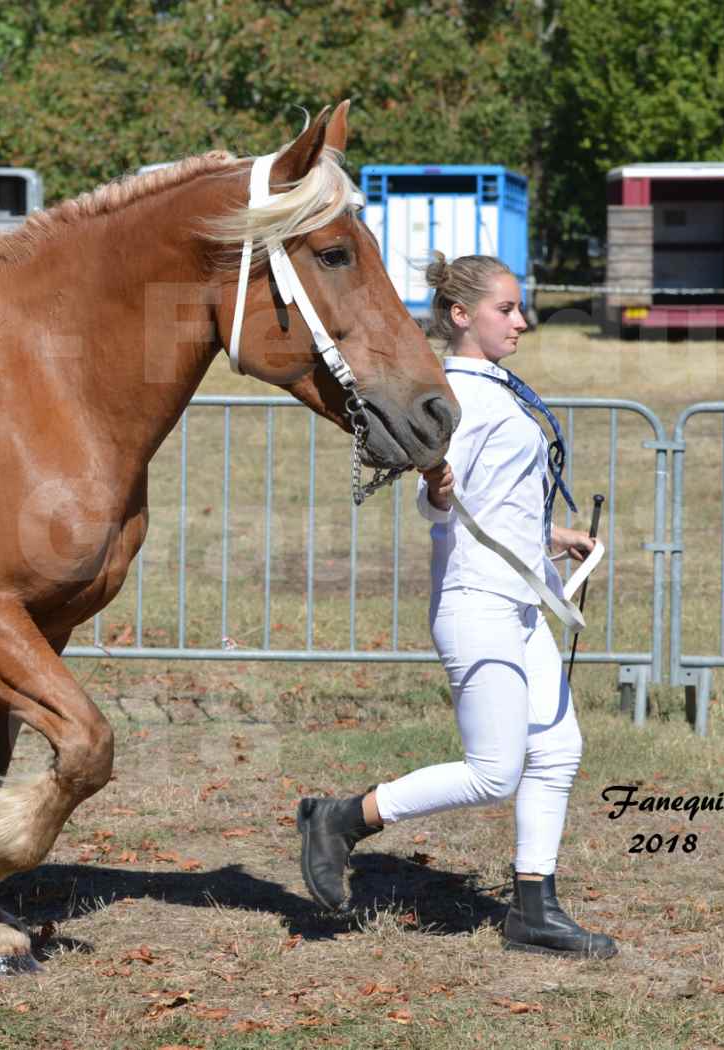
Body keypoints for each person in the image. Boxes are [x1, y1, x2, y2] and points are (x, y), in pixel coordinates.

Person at [295, 253, 616, 959]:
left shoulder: (495, 386)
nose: (521, 321)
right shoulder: (451, 394)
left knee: (556, 749)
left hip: (521, 600)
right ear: (462, 315)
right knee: (494, 772)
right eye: (506, 309)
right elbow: (433, 493)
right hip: (477, 604)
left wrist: (550, 536)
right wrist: (434, 494)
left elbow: (488, 497)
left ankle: (534, 908)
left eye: (519, 308)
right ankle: (342, 819)